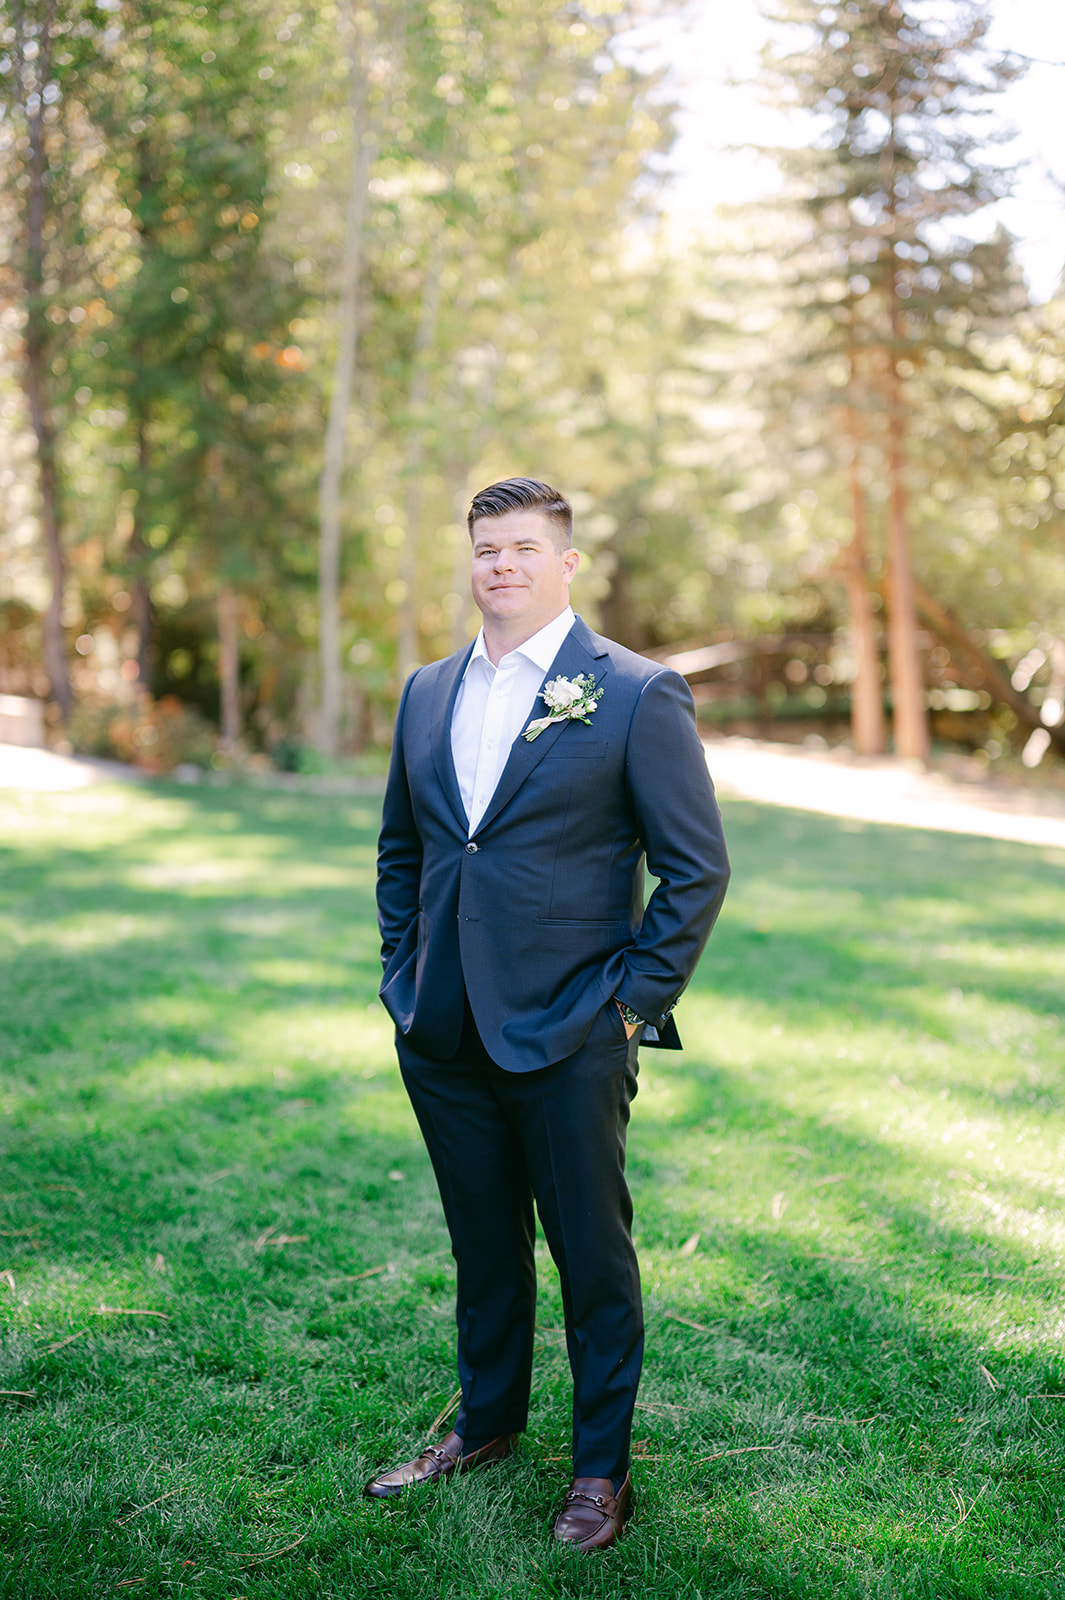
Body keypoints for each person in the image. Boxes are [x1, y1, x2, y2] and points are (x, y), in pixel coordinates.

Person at [367, 477, 730, 1551]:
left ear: (566, 562)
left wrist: (627, 1012)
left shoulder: (630, 691)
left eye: (524, 546)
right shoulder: (427, 692)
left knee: (592, 1260)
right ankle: (484, 1426)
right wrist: (404, 973)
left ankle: (600, 1470)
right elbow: (406, 850)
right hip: (442, 1029)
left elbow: (695, 872)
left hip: (574, 1031)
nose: (502, 565)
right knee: (483, 1247)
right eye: (485, 548)